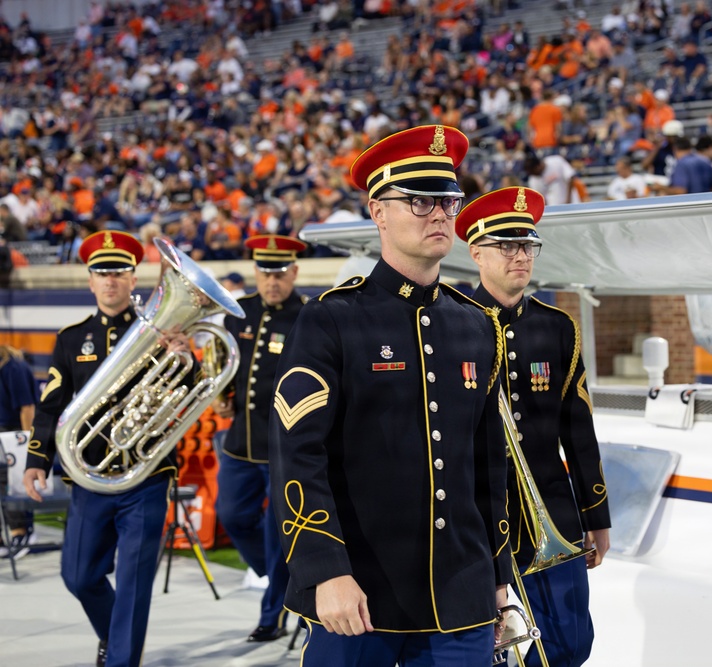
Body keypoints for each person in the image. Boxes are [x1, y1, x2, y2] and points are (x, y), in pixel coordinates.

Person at [267, 125, 512, 667]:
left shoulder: (477, 325)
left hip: (461, 600)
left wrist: (499, 577)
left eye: (448, 200)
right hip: (358, 596)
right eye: (419, 201)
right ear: (378, 212)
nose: (440, 214)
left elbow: (489, 467)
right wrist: (323, 570)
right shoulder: (329, 319)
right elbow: (297, 456)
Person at [457, 186, 612, 667]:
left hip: (555, 514)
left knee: (571, 643)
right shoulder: (452, 324)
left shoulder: (557, 326)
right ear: (477, 252)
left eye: (527, 245)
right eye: (506, 246)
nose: (520, 255)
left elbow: (577, 429)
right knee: (499, 648)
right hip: (480, 521)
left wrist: (597, 514)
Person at [21, 231, 192, 667]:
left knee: (134, 586)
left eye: (118, 272)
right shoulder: (70, 338)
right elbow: (49, 409)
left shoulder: (160, 332)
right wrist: (36, 460)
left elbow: (187, 393)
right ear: (90, 281)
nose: (110, 280)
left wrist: (183, 360)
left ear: (133, 278)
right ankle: (112, 639)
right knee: (79, 577)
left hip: (146, 474)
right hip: (89, 473)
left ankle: (120, 659)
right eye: (102, 273)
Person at [213, 235, 308, 642]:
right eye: (266, 272)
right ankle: (283, 585)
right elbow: (225, 360)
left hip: (284, 448)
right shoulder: (239, 313)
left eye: (281, 273)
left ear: (294, 272)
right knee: (231, 515)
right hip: (240, 442)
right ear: (255, 271)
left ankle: (272, 616)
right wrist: (219, 390)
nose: (273, 281)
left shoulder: (308, 314)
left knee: (280, 535)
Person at [0, 344, 39, 560]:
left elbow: (27, 408)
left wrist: (27, 444)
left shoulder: (13, 368)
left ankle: (20, 533)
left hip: (13, 433)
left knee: (9, 482)